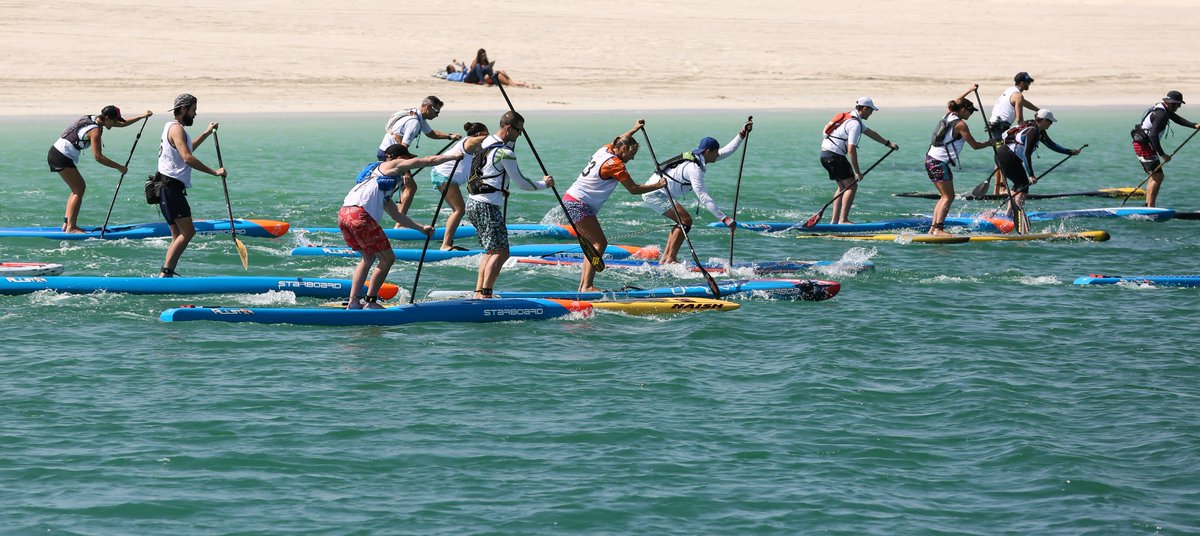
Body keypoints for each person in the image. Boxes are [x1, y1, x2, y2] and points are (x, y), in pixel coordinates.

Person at [340, 144, 461, 309]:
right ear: (397, 158)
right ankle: (371, 302)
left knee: (368, 258)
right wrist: (454, 157)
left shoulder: (378, 185)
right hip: (360, 216)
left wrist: (421, 228)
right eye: (406, 158)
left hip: (344, 215)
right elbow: (428, 161)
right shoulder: (390, 165)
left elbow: (397, 216)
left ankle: (354, 302)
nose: (407, 163)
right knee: (388, 258)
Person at [564, 119, 666, 291]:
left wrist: (634, 129)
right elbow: (633, 189)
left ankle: (583, 285)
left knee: (594, 244)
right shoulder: (616, 165)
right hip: (579, 203)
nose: (632, 158)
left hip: (571, 199)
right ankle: (587, 286)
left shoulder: (605, 150)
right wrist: (659, 185)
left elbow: (620, 138)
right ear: (624, 149)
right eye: (631, 154)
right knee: (599, 243)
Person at [465, 111, 554, 299]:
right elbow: (521, 183)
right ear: (508, 128)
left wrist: (515, 134)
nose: (520, 134)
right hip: (487, 206)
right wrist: (544, 184)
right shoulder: (505, 153)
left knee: (491, 251)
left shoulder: (486, 142)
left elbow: (508, 143)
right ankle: (486, 295)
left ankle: (479, 292)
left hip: (473, 203)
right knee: (502, 252)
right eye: (519, 131)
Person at [641, 118, 753, 264]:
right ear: (708, 151)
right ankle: (670, 259)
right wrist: (724, 218)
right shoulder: (694, 169)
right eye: (715, 152)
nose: (718, 155)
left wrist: (742, 134)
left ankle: (666, 259)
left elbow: (726, 151)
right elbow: (703, 196)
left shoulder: (699, 157)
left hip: (660, 192)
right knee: (685, 220)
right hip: (654, 193)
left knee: (682, 221)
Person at [48, 105, 153, 232]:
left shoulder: (96, 118)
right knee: (79, 189)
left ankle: (67, 224)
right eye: (114, 121)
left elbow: (122, 124)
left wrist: (142, 116)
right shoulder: (95, 130)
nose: (115, 123)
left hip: (57, 153)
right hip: (60, 155)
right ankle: (71, 227)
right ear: (108, 118)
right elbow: (98, 157)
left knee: (77, 189)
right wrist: (119, 167)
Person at [156, 93, 225, 277]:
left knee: (177, 235)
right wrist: (214, 172)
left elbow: (187, 149)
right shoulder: (176, 129)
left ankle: (166, 274)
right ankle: (166, 272)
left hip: (166, 188)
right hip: (171, 188)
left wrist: (206, 133)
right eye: (193, 110)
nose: (195, 114)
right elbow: (187, 157)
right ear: (184, 109)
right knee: (188, 232)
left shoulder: (171, 127)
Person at [819, 97, 899, 224]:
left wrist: (888, 143)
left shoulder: (851, 116)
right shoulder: (854, 124)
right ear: (865, 108)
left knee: (842, 187)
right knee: (852, 186)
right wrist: (857, 172)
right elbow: (851, 149)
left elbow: (870, 132)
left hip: (825, 154)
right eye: (871, 110)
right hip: (834, 156)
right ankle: (843, 220)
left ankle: (834, 221)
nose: (871, 113)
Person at [377, 96, 461, 215]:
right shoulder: (414, 123)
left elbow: (431, 133)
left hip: (388, 153)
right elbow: (404, 147)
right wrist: (405, 171)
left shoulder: (417, 116)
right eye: (436, 111)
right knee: (409, 188)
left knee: (399, 188)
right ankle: (399, 223)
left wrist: (449, 136)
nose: (437, 115)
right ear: (428, 107)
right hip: (392, 156)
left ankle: (396, 218)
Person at [925, 87, 993, 235]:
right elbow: (975, 146)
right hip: (939, 162)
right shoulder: (960, 124)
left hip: (930, 159)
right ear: (962, 109)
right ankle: (938, 229)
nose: (970, 114)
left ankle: (933, 228)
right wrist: (990, 143)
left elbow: (956, 100)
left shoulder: (948, 114)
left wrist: (970, 89)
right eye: (969, 111)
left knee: (944, 196)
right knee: (949, 197)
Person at [994, 109, 1083, 222]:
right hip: (1008, 157)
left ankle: (1009, 214)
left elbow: (1051, 145)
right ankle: (1017, 214)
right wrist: (1031, 175)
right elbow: (1026, 154)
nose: (1051, 124)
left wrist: (1069, 152)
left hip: (1002, 155)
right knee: (1023, 185)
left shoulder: (1035, 129)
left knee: (1019, 184)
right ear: (1044, 120)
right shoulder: (1033, 132)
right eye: (1050, 122)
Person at [1131, 90, 1200, 207]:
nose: (1179, 107)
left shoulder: (1163, 109)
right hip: (1144, 146)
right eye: (1178, 104)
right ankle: (1150, 207)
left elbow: (1177, 119)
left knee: (1155, 175)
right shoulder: (1161, 114)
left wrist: (1194, 125)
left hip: (1145, 145)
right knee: (1158, 176)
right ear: (1171, 103)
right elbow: (1153, 135)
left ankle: (1148, 205)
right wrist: (1162, 154)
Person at [430, 121, 490, 251]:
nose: (488, 136)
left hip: (447, 177)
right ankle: (446, 244)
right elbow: (490, 139)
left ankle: (447, 240)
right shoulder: (469, 141)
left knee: (459, 209)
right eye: (486, 133)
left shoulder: (476, 148)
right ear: (478, 134)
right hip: (444, 175)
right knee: (459, 209)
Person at [987, 72, 1041, 194]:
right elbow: (1019, 119)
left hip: (993, 126)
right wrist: (1024, 131)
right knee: (1001, 157)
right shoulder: (1018, 95)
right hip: (1000, 127)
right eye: (1028, 82)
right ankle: (1001, 188)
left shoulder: (1011, 91)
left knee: (999, 157)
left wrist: (1038, 110)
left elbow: (1025, 103)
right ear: (1022, 82)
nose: (1029, 84)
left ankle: (997, 190)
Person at [463, 48, 538, 88]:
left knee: (501, 71)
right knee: (498, 76)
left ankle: (516, 83)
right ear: (479, 56)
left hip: (486, 77)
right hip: (478, 78)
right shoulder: (476, 63)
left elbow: (489, 70)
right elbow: (473, 71)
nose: (484, 57)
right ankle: (518, 84)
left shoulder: (486, 62)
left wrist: (489, 66)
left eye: (485, 55)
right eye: (482, 56)